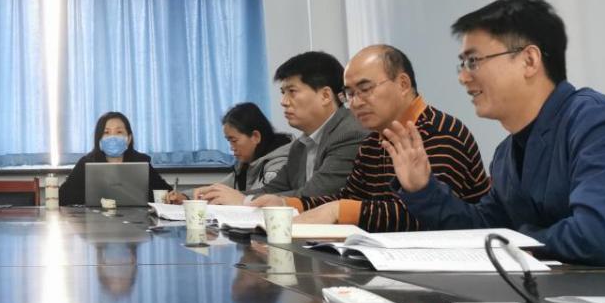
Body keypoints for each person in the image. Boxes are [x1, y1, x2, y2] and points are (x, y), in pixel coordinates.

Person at [388, 0, 605, 267]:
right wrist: (421, 188)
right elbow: (483, 229)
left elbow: (601, 235)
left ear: (529, 61)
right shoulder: (505, 154)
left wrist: (517, 240)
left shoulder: (597, 123)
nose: (463, 77)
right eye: (462, 64)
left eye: (473, 61)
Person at [255, 45, 490, 232]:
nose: (355, 102)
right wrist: (287, 205)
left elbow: (424, 217)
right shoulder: (372, 142)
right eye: (350, 93)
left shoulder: (439, 131)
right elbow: (350, 198)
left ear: (403, 84)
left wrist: (339, 210)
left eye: (365, 89)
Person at [199, 52, 365, 206]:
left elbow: (314, 195)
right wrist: (216, 196)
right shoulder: (300, 146)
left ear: (325, 96)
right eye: (283, 92)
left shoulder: (350, 133)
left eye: (292, 91)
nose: (283, 102)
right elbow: (270, 190)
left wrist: (244, 201)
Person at [179, 102, 292, 204]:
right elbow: (219, 188)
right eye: (229, 141)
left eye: (234, 140)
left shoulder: (278, 164)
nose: (232, 148)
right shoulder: (244, 165)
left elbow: (264, 198)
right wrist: (185, 196)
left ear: (255, 137)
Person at [58, 111, 171, 206]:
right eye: (106, 132)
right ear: (99, 139)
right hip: (96, 220)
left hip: (136, 221)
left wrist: (174, 197)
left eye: (119, 132)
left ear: (129, 138)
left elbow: (165, 192)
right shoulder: (86, 163)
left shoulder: (141, 161)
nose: (113, 137)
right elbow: (63, 197)